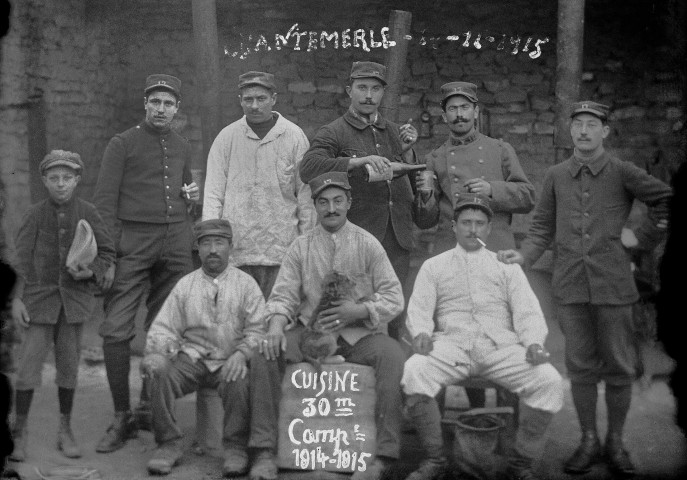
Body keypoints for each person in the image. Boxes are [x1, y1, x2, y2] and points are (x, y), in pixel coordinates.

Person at [498, 101, 672, 476]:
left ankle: (616, 442)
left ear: (605, 131)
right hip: (571, 287)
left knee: (620, 367)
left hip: (613, 287)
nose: (584, 131)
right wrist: (525, 256)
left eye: (592, 124)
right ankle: (589, 439)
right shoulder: (557, 175)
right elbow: (542, 225)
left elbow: (665, 199)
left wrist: (638, 238)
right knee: (579, 368)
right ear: (570, 131)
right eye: (577, 124)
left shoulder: (622, 171)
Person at [401, 193, 563, 480]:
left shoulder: (506, 266)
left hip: (500, 348)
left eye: (479, 223)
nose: (472, 229)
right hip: (452, 346)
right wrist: (422, 333)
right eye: (466, 222)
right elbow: (420, 307)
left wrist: (534, 342)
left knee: (548, 380)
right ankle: (436, 459)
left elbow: (527, 311)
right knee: (415, 370)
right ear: (454, 226)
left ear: (489, 228)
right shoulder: (434, 266)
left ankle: (520, 463)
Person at [260, 171, 406, 480]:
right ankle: (264, 451)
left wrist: (359, 310)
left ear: (349, 202)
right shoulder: (301, 247)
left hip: (358, 336)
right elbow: (284, 295)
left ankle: (383, 457)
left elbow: (394, 297)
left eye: (338, 201)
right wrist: (275, 327)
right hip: (311, 332)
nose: (331, 209)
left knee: (392, 355)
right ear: (314, 205)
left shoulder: (368, 244)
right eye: (323, 202)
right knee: (264, 354)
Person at [93, 74, 200, 452]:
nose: (161, 109)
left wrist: (193, 197)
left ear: (176, 109)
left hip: (174, 243)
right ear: (145, 104)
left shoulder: (183, 145)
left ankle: (147, 407)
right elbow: (104, 202)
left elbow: (187, 195)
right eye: (155, 101)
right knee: (116, 329)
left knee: (164, 329)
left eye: (168, 103)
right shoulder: (122, 143)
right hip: (133, 243)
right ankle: (121, 416)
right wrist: (106, 255)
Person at [416, 81, 535, 409]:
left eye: (464, 108)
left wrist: (492, 189)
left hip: (494, 251)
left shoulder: (499, 150)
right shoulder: (436, 158)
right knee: (447, 333)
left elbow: (528, 196)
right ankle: (439, 415)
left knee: (495, 331)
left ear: (476, 112)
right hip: (448, 254)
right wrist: (425, 195)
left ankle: (491, 412)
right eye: (452, 109)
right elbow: (425, 221)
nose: (459, 115)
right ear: (444, 116)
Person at [142, 219, 280, 479]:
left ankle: (236, 448)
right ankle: (168, 444)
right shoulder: (186, 285)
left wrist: (241, 354)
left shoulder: (246, 284)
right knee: (157, 369)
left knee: (240, 381)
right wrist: (162, 352)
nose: (213, 249)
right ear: (198, 249)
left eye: (219, 243)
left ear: (231, 247)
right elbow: (163, 329)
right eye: (206, 243)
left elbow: (258, 329)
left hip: (229, 359)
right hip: (191, 359)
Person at [298, 61, 427, 339]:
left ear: (382, 93)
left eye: (376, 89)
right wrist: (357, 162)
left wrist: (407, 152)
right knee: (354, 307)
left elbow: (408, 178)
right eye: (362, 88)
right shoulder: (334, 131)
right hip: (359, 235)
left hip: (397, 236)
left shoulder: (393, 131)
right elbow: (308, 168)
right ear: (349, 91)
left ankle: (392, 370)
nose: (369, 95)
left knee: (394, 309)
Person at [9, 150, 116, 461]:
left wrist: (91, 271)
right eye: (54, 178)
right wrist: (16, 298)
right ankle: (19, 432)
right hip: (38, 304)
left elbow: (107, 253)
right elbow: (20, 261)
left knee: (68, 369)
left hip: (73, 303)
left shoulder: (88, 211)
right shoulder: (34, 214)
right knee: (28, 369)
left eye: (67, 178)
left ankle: (65, 430)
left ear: (77, 180)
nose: (60, 184)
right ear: (44, 180)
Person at [203, 71, 314, 299]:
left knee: (277, 316)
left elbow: (305, 196)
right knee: (236, 317)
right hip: (237, 248)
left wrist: (306, 245)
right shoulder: (227, 138)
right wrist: (212, 242)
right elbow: (213, 194)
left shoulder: (294, 136)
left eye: (261, 99)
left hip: (281, 248)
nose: (254, 106)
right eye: (248, 99)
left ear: (274, 98)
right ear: (240, 101)